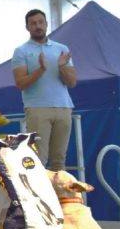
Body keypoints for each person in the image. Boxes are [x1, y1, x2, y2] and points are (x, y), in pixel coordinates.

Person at [12, 9, 76, 170]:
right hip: (37, 109)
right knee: (38, 159)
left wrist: (61, 66)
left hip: (64, 107)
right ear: (27, 27)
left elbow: (72, 82)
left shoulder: (61, 49)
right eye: (33, 23)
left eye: (41, 22)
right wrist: (40, 70)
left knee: (59, 159)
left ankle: (58, 195)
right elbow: (20, 83)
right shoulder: (21, 51)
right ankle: (41, 195)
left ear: (47, 24)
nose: (38, 26)